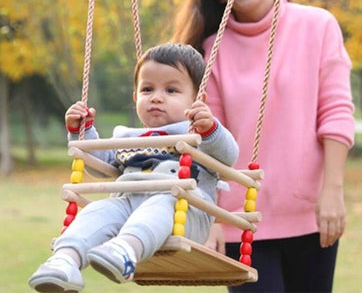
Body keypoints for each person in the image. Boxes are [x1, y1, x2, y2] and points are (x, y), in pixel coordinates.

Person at [173, 0, 355, 292]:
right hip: (241, 219)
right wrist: (212, 218)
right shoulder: (213, 50)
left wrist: (333, 191)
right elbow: (208, 145)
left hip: (312, 214)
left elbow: (336, 112)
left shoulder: (317, 25)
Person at [28, 42, 239, 293]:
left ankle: (125, 250)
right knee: (99, 211)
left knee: (163, 202)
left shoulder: (198, 131)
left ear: (196, 99)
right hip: (129, 204)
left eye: (171, 90)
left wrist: (211, 128)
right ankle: (65, 261)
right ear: (135, 96)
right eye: (147, 89)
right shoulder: (130, 136)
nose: (157, 97)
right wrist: (81, 130)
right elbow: (101, 163)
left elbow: (229, 156)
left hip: (185, 211)